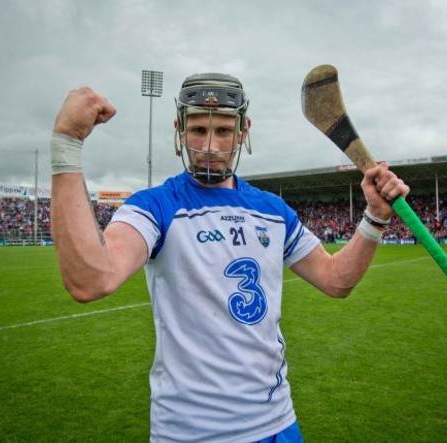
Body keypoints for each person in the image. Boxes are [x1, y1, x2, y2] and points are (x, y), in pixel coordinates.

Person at [50, 73, 410, 442]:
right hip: (192, 433)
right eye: (197, 130)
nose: (209, 146)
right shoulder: (155, 206)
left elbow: (336, 280)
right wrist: (67, 144)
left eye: (223, 131)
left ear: (243, 131)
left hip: (278, 423)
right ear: (179, 129)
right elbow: (91, 279)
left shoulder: (273, 211)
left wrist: (375, 216)